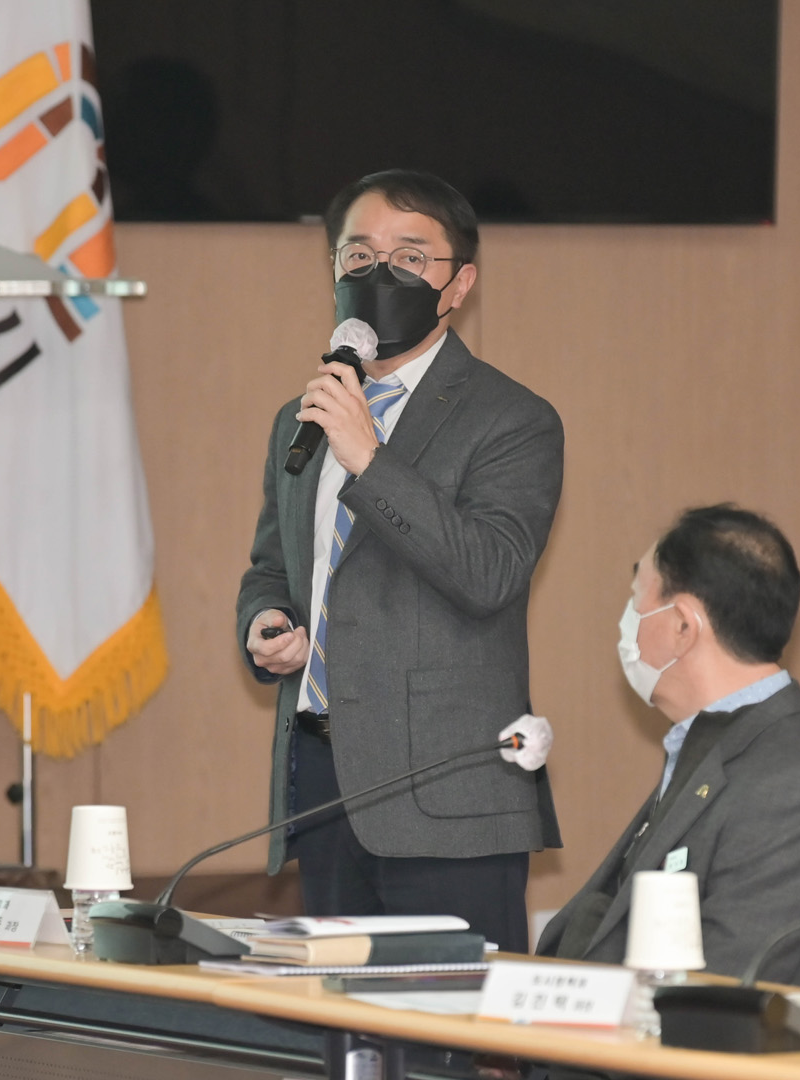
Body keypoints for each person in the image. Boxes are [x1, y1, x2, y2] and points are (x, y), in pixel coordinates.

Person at [235, 169, 563, 951]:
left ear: (458, 285)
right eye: (358, 256)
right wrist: (266, 620)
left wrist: (369, 459)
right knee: (334, 1016)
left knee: (454, 1019)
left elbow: (489, 573)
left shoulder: (512, 419)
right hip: (323, 778)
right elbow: (273, 564)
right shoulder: (302, 418)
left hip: (447, 790)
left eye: (410, 258)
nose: (378, 275)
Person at [536, 505, 800, 984]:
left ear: (683, 626)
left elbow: (721, 992)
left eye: (637, 601)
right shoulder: (721, 741)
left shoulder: (798, 788)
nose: (627, 623)